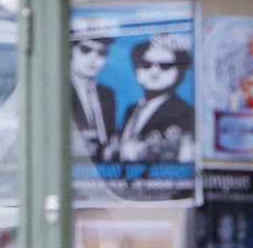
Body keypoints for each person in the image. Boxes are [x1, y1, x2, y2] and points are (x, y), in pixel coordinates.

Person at [116, 33, 195, 163]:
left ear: (179, 73)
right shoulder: (132, 110)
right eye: (147, 65)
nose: (154, 71)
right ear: (136, 69)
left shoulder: (186, 112)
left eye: (165, 66)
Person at [69, 31, 118, 159]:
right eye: (85, 50)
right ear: (69, 51)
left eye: (101, 53)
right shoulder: (58, 89)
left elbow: (108, 137)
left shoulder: (107, 93)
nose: (94, 58)